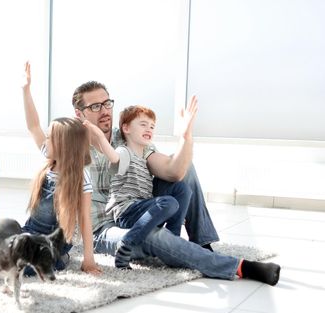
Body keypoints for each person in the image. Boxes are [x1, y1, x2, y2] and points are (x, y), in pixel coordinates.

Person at [72, 81, 281, 285]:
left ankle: (202, 244)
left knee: (185, 170)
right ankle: (240, 267)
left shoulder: (127, 135)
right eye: (95, 106)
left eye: (107, 103)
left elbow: (174, 171)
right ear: (79, 113)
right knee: (153, 236)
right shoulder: (72, 148)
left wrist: (186, 136)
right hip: (106, 229)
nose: (105, 110)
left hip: (138, 208)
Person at [22, 62, 101, 275]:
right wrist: (26, 90)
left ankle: (60, 258)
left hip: (54, 240)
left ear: (64, 147)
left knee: (31, 267)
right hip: (30, 232)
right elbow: (33, 126)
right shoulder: (49, 163)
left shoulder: (80, 177)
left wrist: (89, 260)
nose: (45, 141)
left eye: (50, 138)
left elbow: (85, 219)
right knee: (3, 248)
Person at [89, 105, 191, 269]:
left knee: (182, 188)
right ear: (126, 128)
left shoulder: (145, 158)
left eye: (151, 126)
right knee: (169, 203)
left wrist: (185, 135)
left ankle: (173, 239)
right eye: (143, 124)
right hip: (126, 212)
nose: (149, 128)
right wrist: (100, 137)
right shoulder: (124, 151)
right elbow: (114, 158)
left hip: (142, 210)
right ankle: (127, 243)